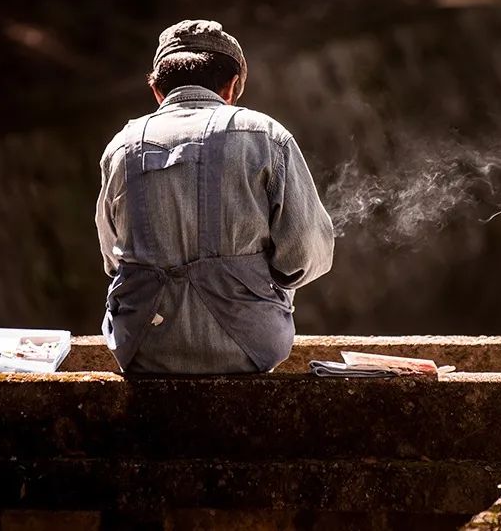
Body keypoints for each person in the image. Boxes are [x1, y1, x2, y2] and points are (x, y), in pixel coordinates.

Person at [95, 19, 334, 373]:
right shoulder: (266, 136)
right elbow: (305, 254)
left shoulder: (121, 147)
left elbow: (113, 259)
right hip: (249, 347)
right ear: (231, 86)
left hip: (144, 348)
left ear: (158, 92)